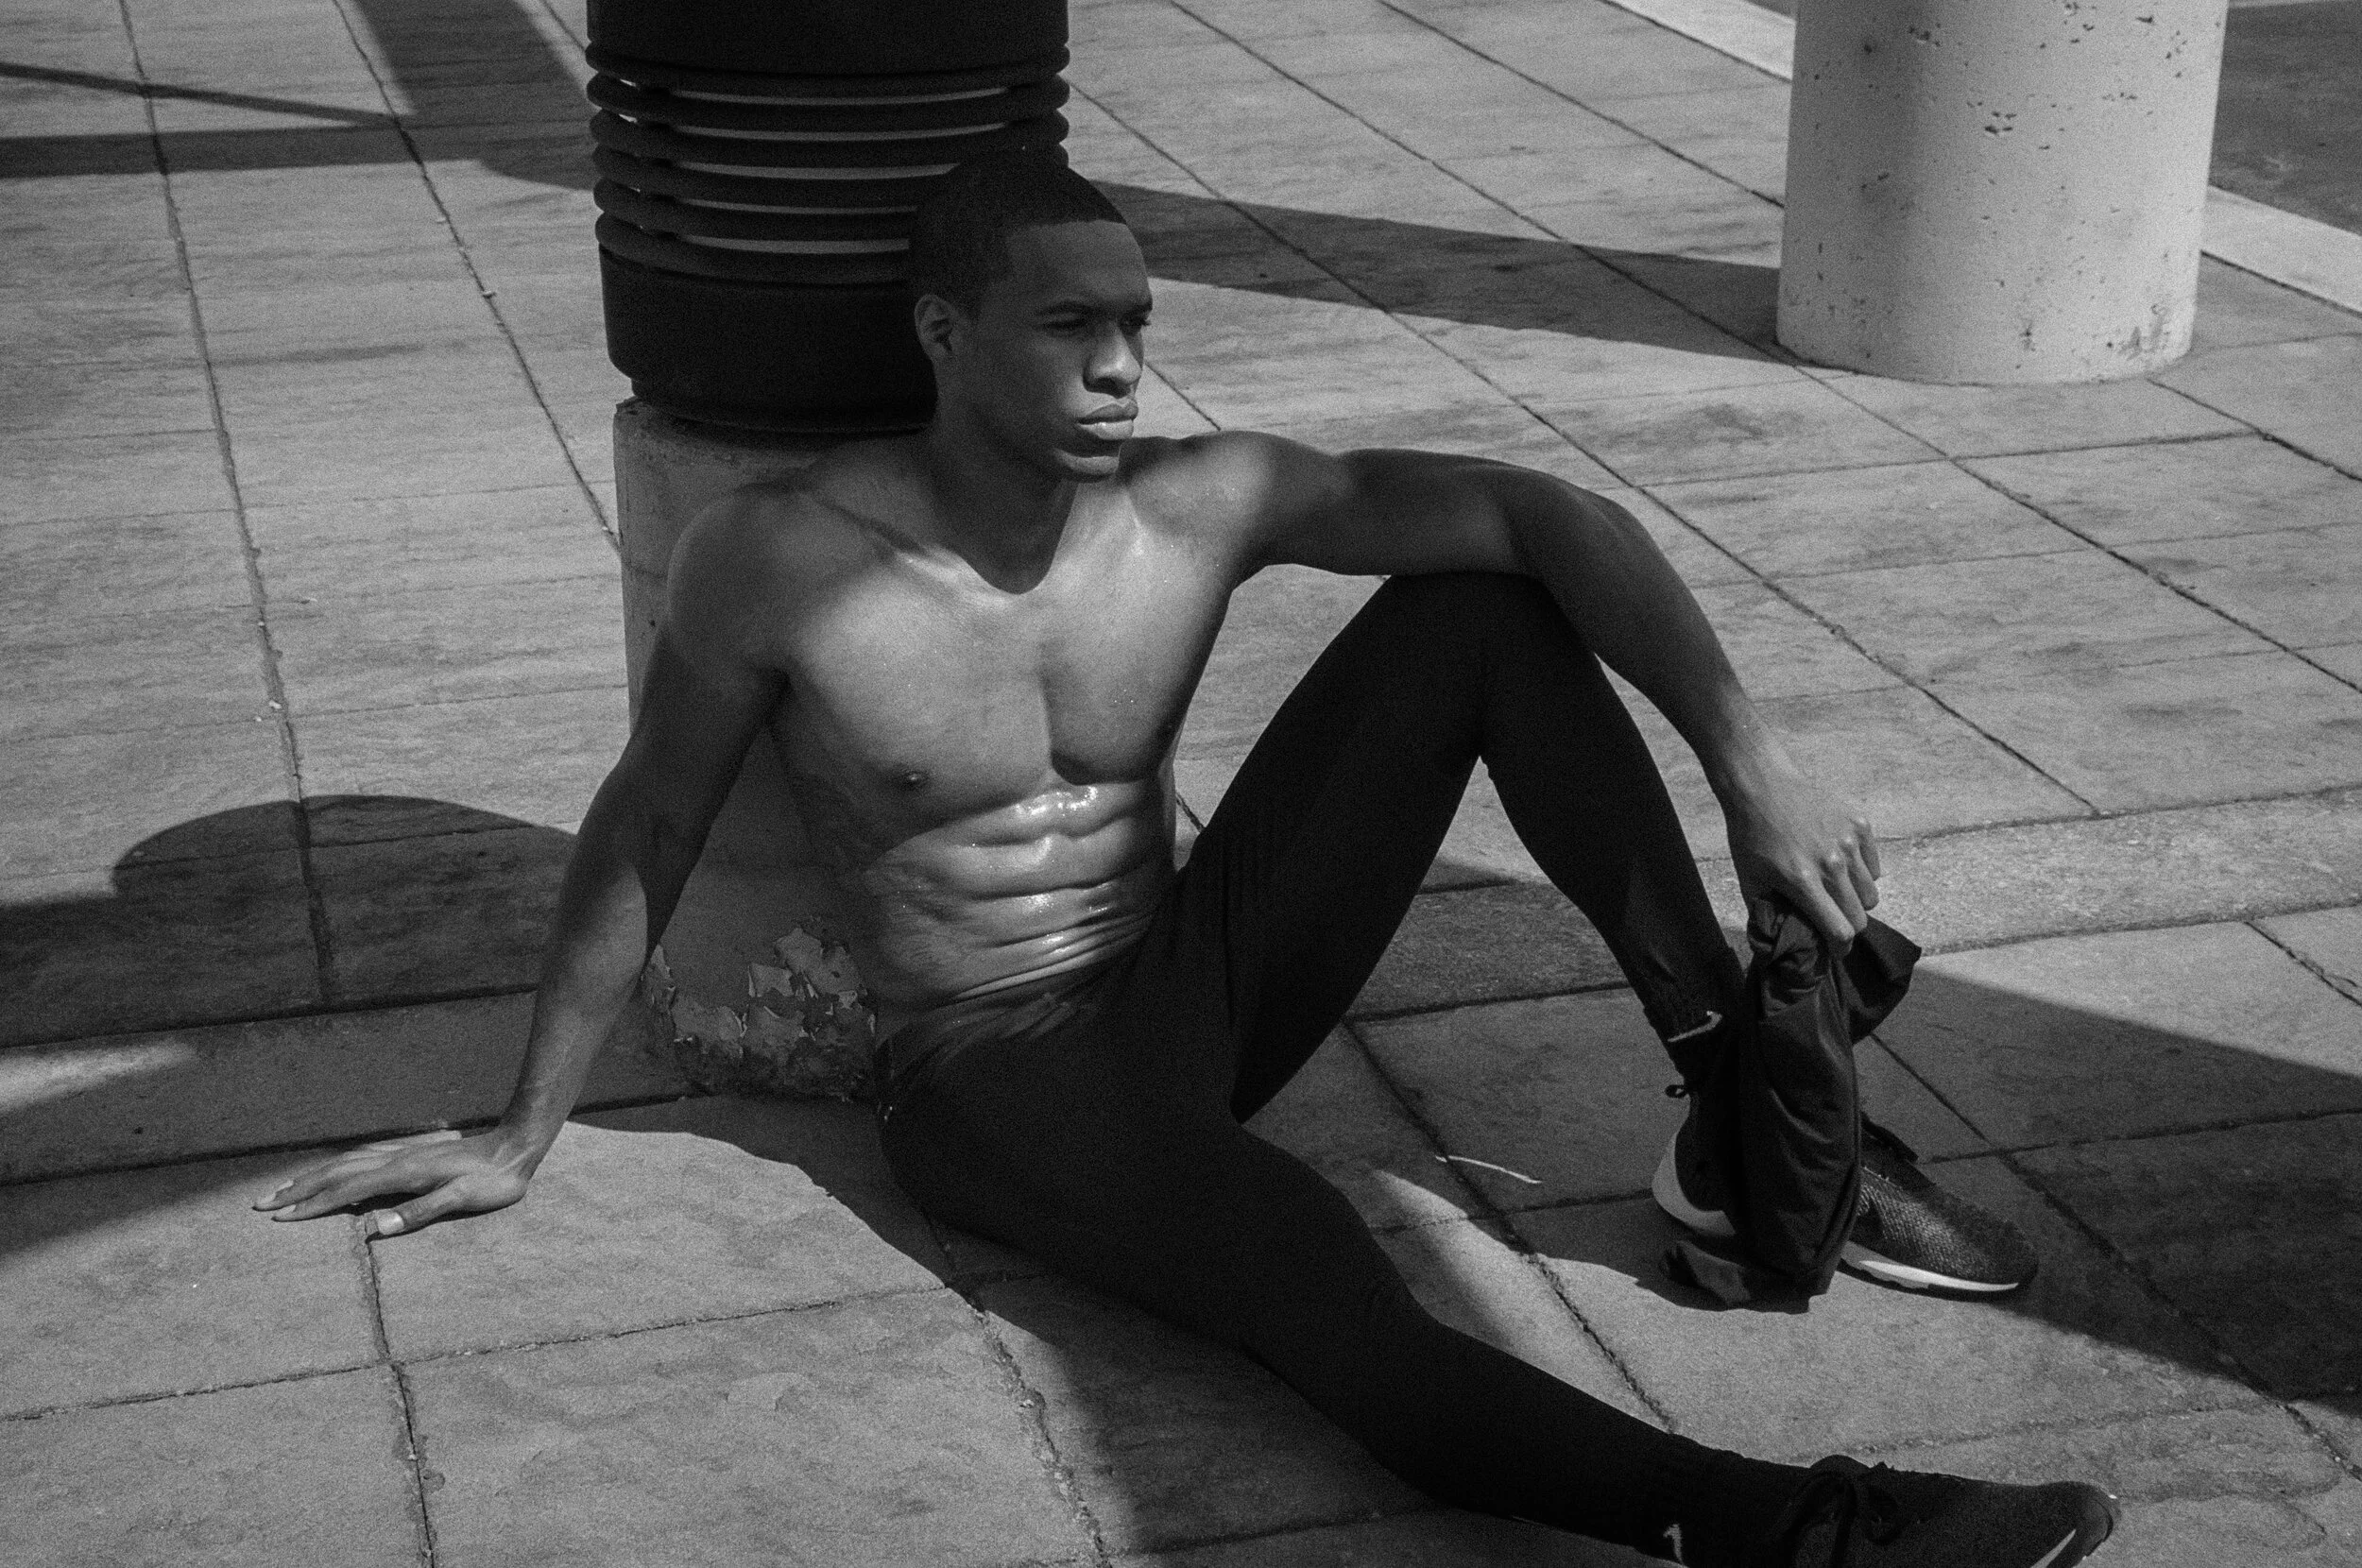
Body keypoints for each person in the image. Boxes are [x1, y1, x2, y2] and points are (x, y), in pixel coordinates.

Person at [258, 152, 2114, 1567]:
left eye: (1137, 324)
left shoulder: (1188, 508)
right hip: (991, 1072)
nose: (1122, 367)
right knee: (1317, 1272)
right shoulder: (780, 559)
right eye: (1070, 327)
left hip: (1187, 978)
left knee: (1478, 610)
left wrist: (1749, 760)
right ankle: (1800, 1532)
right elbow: (647, 820)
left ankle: (1740, 1104)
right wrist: (521, 1129)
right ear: (943, 336)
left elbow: (1540, 509)